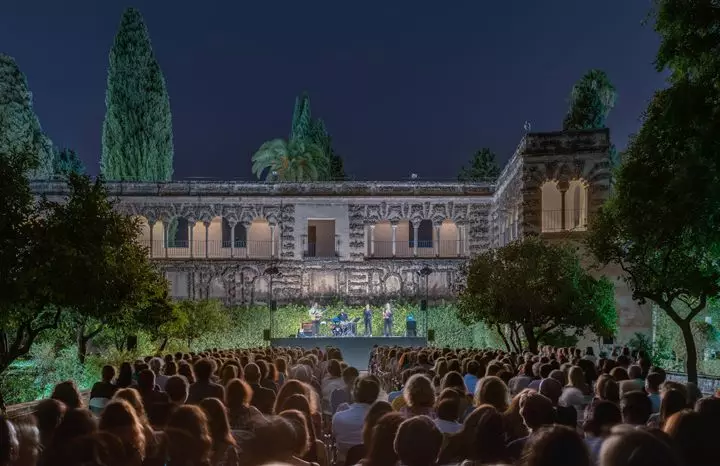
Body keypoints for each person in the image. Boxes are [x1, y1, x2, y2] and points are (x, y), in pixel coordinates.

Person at [332, 376, 380, 462]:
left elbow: (334, 435)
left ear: (354, 394)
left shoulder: (339, 417)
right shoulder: (381, 420)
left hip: (344, 460)